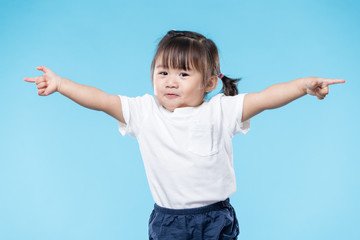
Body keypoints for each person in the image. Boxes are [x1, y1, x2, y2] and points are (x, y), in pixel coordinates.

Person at [24, 30, 345, 240]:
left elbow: (266, 97)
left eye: (183, 73)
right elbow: (101, 99)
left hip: (215, 218)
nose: (170, 81)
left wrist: (303, 86)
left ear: (208, 83)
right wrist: (62, 84)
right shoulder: (144, 112)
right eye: (162, 72)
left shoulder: (221, 111)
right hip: (168, 222)